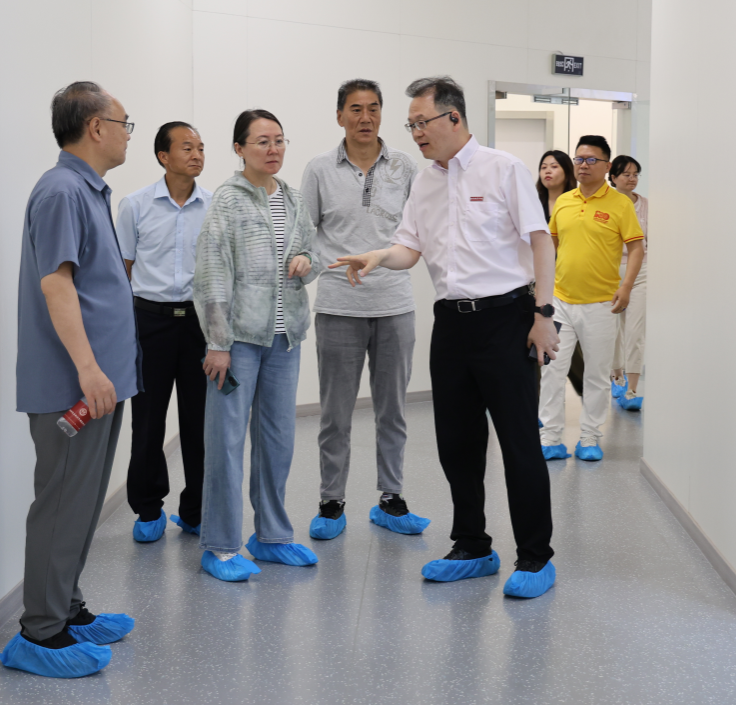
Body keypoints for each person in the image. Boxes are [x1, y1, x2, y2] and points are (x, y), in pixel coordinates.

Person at [333, 76, 560, 599]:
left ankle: (535, 556)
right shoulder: (425, 183)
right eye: (410, 124)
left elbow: (540, 242)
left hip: (507, 318)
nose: (415, 132)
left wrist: (543, 314)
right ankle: (472, 545)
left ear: (453, 117)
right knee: (457, 444)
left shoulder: (503, 168)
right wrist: (377, 256)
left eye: (422, 122)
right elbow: (409, 248)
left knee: (519, 443)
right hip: (451, 324)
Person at [0, 81, 139, 678]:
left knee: (80, 506)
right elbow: (56, 285)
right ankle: (40, 632)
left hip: (101, 383)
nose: (129, 134)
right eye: (125, 123)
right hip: (74, 384)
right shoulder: (60, 191)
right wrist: (87, 368)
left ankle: (68, 609)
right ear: (96, 127)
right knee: (60, 505)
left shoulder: (88, 190)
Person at [192, 109, 321, 582]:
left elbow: (313, 250)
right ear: (239, 148)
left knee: (277, 440)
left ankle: (271, 536)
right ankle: (220, 546)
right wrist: (217, 342)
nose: (273, 149)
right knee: (226, 442)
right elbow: (211, 273)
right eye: (263, 141)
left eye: (279, 140)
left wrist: (307, 259)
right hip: (238, 344)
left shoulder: (292, 198)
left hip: (285, 340)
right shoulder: (227, 200)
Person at [300, 79, 429, 541]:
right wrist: (309, 268)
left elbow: (418, 231)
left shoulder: (404, 166)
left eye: (373, 108)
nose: (365, 117)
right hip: (338, 307)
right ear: (340, 116)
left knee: (393, 411)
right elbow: (304, 234)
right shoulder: (319, 169)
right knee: (335, 415)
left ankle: (391, 499)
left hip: (395, 305)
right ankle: (331, 501)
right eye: (355, 109)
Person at [115, 122, 211, 543]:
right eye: (187, 147)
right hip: (148, 322)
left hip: (199, 324)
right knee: (148, 421)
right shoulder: (134, 206)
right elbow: (122, 272)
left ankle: (196, 511)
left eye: (201, 148)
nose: (197, 154)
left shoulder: (213, 206)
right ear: (163, 156)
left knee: (201, 423)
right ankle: (149, 509)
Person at [538, 136, 644, 462]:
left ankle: (589, 437)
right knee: (552, 372)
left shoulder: (620, 205)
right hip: (560, 303)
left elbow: (636, 248)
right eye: (579, 159)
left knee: (596, 375)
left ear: (606, 166)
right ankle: (550, 437)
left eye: (591, 160)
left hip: (601, 305)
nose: (583, 165)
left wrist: (626, 287)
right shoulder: (564, 201)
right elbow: (551, 246)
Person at [535, 149, 584, 398]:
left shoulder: (576, 203)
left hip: (567, 282)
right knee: (537, 340)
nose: (547, 171)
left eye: (554, 166)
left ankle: (587, 388)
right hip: (536, 282)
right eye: (544, 166)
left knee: (566, 341)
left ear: (567, 172)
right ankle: (538, 401)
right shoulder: (533, 204)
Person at [610, 155, 648, 411]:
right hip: (611, 271)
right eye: (626, 174)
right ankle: (617, 377)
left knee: (636, 331)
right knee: (614, 330)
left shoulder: (647, 206)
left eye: (635, 174)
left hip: (641, 272)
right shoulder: (606, 203)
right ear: (613, 177)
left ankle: (632, 390)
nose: (632, 179)